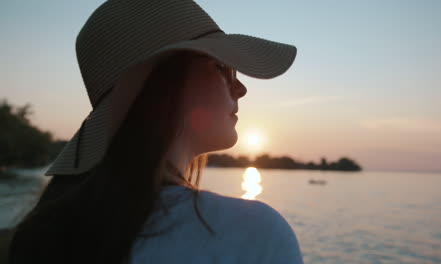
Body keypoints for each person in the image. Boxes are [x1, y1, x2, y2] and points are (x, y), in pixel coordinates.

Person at [8, 0, 302, 263]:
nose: (240, 88)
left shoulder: (44, 234)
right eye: (222, 66)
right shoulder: (253, 233)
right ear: (165, 80)